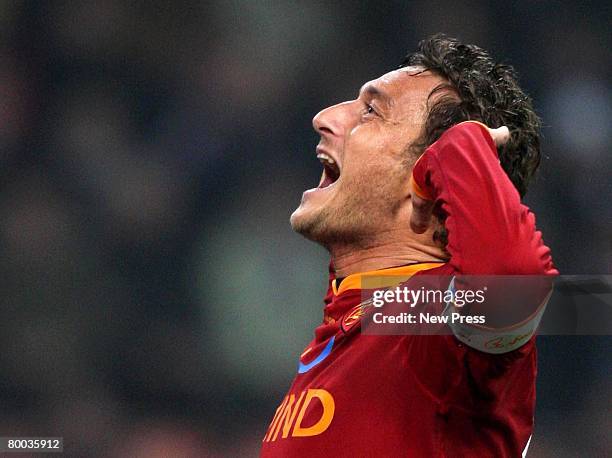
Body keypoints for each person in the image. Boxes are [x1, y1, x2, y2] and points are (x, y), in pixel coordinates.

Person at [260, 34, 557, 457]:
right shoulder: (355, 325)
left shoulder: (433, 325)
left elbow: (513, 285)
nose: (324, 117)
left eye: (371, 112)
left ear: (430, 176)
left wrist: (460, 145)